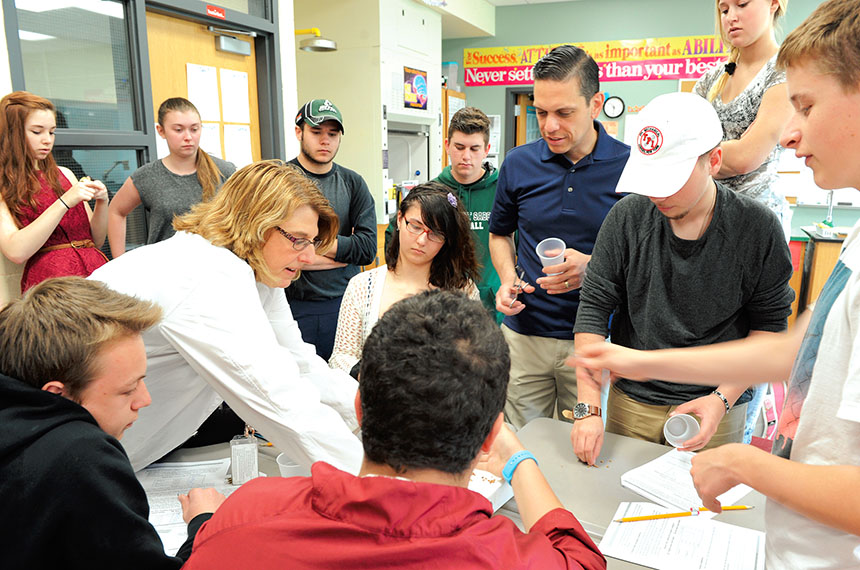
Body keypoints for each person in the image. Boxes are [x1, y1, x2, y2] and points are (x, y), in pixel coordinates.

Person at [572, 3, 860, 564]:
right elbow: (786, 355)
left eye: (804, 104)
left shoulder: (755, 228)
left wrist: (747, 460)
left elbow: (769, 340)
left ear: (713, 161)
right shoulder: (855, 244)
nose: (791, 133)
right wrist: (623, 368)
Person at [183, 290, 606, 570]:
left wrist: (202, 523)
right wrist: (517, 458)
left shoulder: (243, 517)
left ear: (359, 410)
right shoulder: (507, 556)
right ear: (487, 440)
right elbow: (582, 558)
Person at [89, 160, 363, 473]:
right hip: (73, 448)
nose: (310, 256)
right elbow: (279, 399)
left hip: (116, 449)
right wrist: (381, 486)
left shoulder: (257, 274)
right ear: (255, 224)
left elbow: (302, 367)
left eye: (312, 242)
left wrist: (380, 418)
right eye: (298, 240)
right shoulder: (206, 274)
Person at [570, 92, 793, 465]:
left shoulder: (757, 229)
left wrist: (721, 400)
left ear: (714, 161)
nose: (658, 192)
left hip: (717, 404)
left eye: (671, 178)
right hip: (633, 402)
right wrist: (589, 408)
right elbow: (593, 308)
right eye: (650, 178)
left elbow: (769, 331)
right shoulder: (627, 219)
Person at [0, 276, 225, 568]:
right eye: (128, 389)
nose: (144, 400)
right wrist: (204, 524)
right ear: (59, 394)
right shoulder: (79, 453)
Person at [488, 45, 630, 428]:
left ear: (595, 103)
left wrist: (594, 267)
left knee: (584, 431)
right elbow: (500, 235)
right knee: (520, 436)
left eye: (564, 113)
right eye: (541, 112)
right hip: (524, 338)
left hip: (594, 343)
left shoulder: (631, 168)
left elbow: (645, 258)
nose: (550, 126)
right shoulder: (519, 163)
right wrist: (506, 280)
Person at [695, 0, 793, 444]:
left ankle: (732, 430)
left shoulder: (783, 74)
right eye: (722, 7)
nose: (730, 16)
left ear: (775, 5)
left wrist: (694, 155)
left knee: (748, 337)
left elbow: (749, 154)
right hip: (701, 223)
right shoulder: (711, 80)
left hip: (753, 231)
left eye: (742, 3)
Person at [330, 182, 480, 376]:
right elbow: (341, 357)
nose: (421, 240)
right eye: (415, 226)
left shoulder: (463, 290)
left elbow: (475, 356)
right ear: (400, 219)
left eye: (435, 234)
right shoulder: (363, 286)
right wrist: (373, 376)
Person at [384, 106, 502, 321]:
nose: (466, 156)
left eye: (474, 148)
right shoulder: (431, 194)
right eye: (459, 147)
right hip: (440, 301)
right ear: (447, 146)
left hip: (495, 305)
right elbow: (394, 236)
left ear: (487, 149)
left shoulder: (504, 192)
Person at [287, 99, 377, 360]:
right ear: (298, 132)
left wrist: (302, 246)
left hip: (343, 304)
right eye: (316, 132)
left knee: (341, 384)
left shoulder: (353, 183)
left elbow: (366, 249)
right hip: (290, 303)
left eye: (332, 134)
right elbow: (268, 248)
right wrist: (340, 254)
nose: (325, 141)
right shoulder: (280, 178)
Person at [0, 91, 108, 292]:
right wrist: (64, 202)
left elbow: (96, 241)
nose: (47, 140)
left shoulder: (65, 173)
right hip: (52, 284)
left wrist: (103, 202)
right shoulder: (5, 183)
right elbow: (15, 251)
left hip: (95, 272)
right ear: (14, 132)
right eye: (37, 131)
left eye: (51, 132)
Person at [108, 97, 235, 257]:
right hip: (165, 271)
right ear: (161, 131)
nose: (188, 137)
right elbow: (116, 211)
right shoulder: (146, 177)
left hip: (216, 270)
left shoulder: (224, 171)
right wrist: (119, 262)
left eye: (194, 129)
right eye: (179, 130)